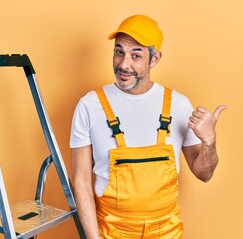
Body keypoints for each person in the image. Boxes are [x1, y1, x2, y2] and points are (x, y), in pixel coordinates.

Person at [70, 14, 226, 239]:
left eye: (136, 55)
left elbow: (204, 173)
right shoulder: (89, 106)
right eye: (119, 51)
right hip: (111, 233)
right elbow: (81, 181)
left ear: (154, 59)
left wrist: (209, 141)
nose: (124, 64)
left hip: (167, 232)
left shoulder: (178, 105)